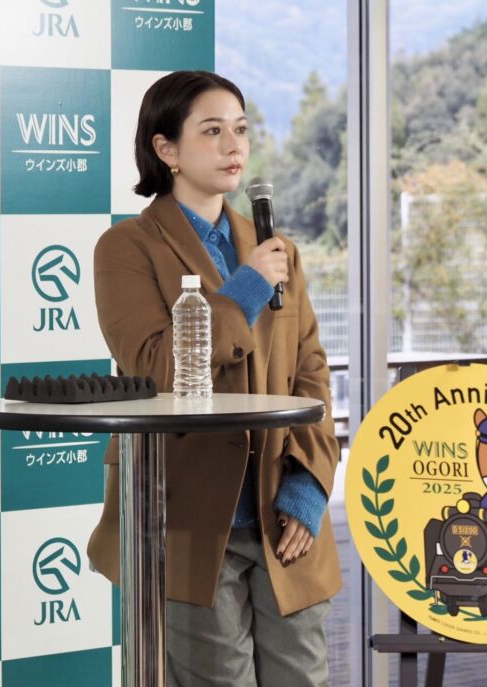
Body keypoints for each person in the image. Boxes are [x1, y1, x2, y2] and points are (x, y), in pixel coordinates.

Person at [86, 70, 340, 687]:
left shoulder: (276, 248)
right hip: (186, 519)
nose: (234, 146)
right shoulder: (127, 247)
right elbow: (156, 367)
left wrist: (308, 487)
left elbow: (310, 373)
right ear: (165, 148)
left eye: (241, 130)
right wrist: (247, 288)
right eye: (212, 131)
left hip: (284, 516)